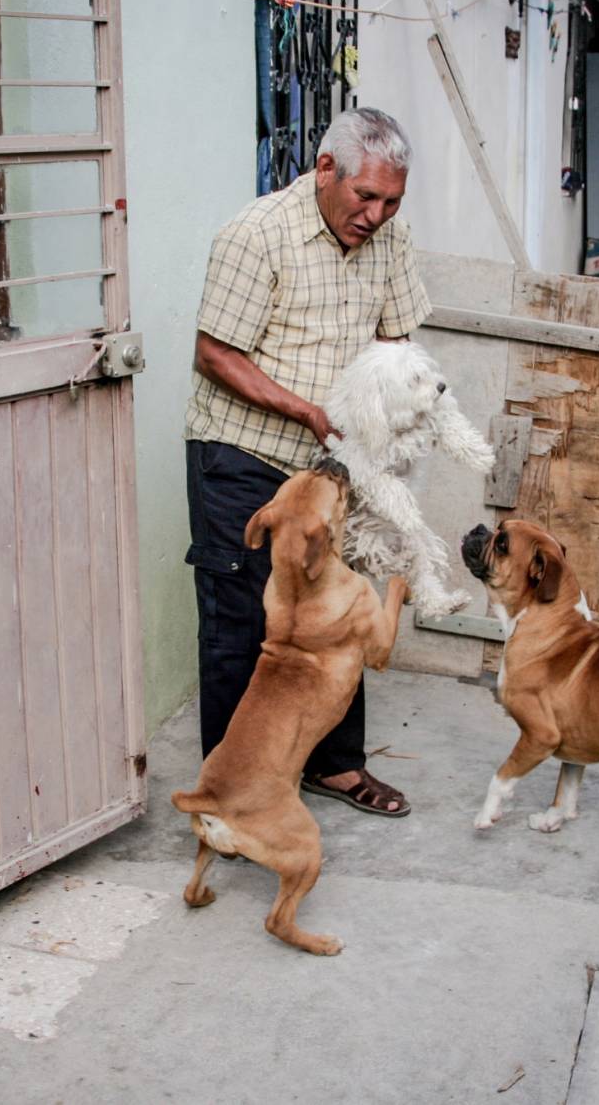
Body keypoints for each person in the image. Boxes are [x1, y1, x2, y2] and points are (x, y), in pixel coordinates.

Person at [184, 107, 430, 817]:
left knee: (338, 613)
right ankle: (231, 794)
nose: (376, 215)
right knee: (241, 625)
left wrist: (392, 415)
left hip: (332, 472)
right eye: (365, 196)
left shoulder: (390, 238)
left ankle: (336, 767)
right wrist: (308, 411)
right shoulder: (256, 235)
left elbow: (395, 342)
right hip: (245, 454)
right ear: (326, 169)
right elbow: (214, 354)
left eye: (391, 201)